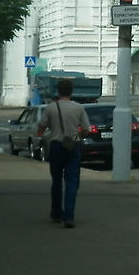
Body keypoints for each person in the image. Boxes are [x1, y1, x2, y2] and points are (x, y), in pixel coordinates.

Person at [37, 79, 90, 227]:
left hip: (56, 147)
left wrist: (45, 135)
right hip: (73, 147)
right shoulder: (79, 108)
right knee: (72, 182)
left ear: (58, 91)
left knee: (56, 181)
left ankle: (56, 213)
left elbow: (41, 128)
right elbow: (86, 129)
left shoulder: (51, 108)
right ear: (71, 91)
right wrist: (77, 136)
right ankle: (69, 216)